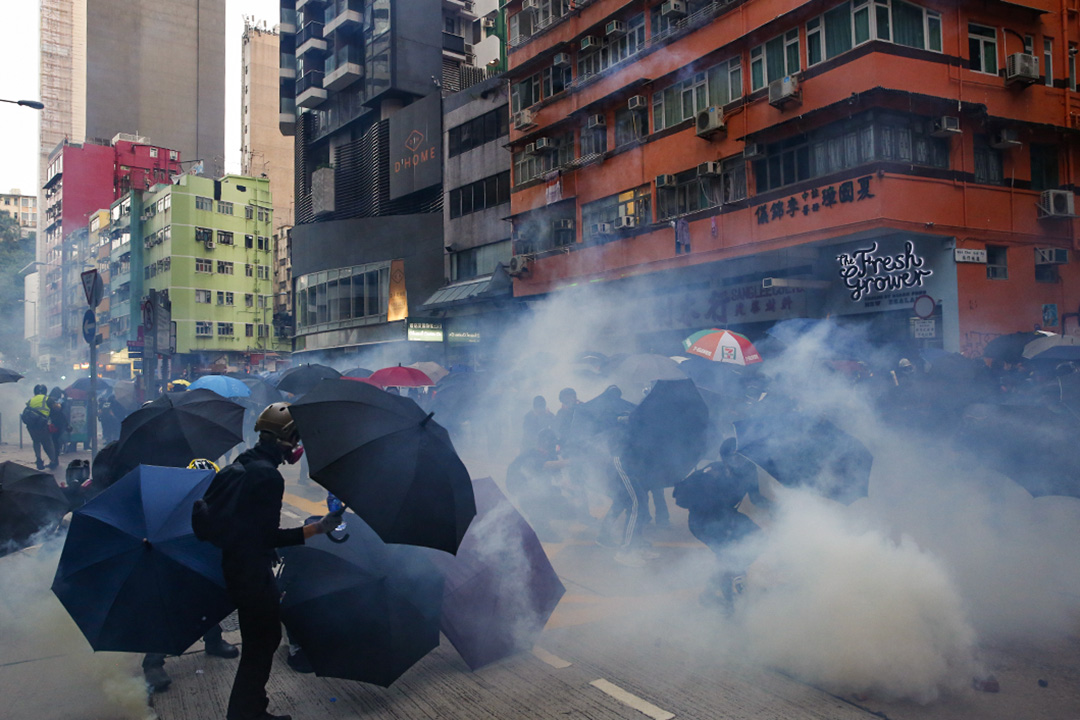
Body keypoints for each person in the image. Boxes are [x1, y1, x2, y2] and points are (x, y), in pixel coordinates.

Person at [217, 402, 342, 720]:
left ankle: (251, 708)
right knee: (262, 643)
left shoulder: (242, 464)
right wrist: (316, 528)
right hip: (251, 572)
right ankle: (246, 713)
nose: (298, 446)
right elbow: (267, 536)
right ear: (283, 439)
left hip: (235, 565)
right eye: (295, 439)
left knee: (260, 641)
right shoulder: (268, 478)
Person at [674, 438, 767, 611]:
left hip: (729, 516)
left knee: (759, 539)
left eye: (743, 457)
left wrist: (783, 507)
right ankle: (728, 601)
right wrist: (705, 482)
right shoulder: (712, 472)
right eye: (735, 457)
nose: (740, 461)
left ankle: (714, 589)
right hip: (703, 521)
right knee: (726, 556)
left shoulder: (749, 470)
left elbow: (756, 498)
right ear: (725, 457)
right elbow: (681, 499)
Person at [505, 428, 572, 541]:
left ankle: (543, 513)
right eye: (553, 443)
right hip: (521, 488)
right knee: (540, 496)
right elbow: (548, 465)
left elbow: (558, 478)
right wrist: (572, 462)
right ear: (546, 443)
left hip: (535, 486)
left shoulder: (550, 455)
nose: (554, 447)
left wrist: (571, 489)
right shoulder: (531, 455)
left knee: (561, 502)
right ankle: (542, 529)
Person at [23, 384, 58, 470]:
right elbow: (57, 409)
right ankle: (53, 461)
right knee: (48, 443)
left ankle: (38, 459)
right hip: (43, 425)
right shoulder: (48, 399)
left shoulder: (31, 400)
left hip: (31, 425)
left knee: (36, 442)